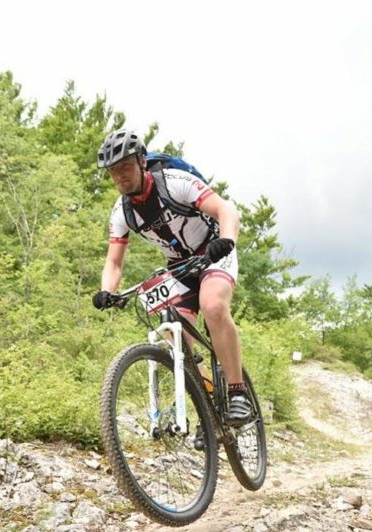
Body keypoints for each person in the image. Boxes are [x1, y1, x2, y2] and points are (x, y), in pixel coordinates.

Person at [91, 129, 252, 424]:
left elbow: (226, 210)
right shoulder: (121, 212)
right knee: (171, 333)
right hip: (178, 265)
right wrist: (106, 291)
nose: (120, 176)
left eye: (125, 166)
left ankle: (237, 391)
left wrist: (226, 240)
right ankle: (208, 405)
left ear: (142, 161)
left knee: (213, 305)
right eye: (113, 172)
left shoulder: (175, 183)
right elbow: (114, 262)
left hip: (213, 251)